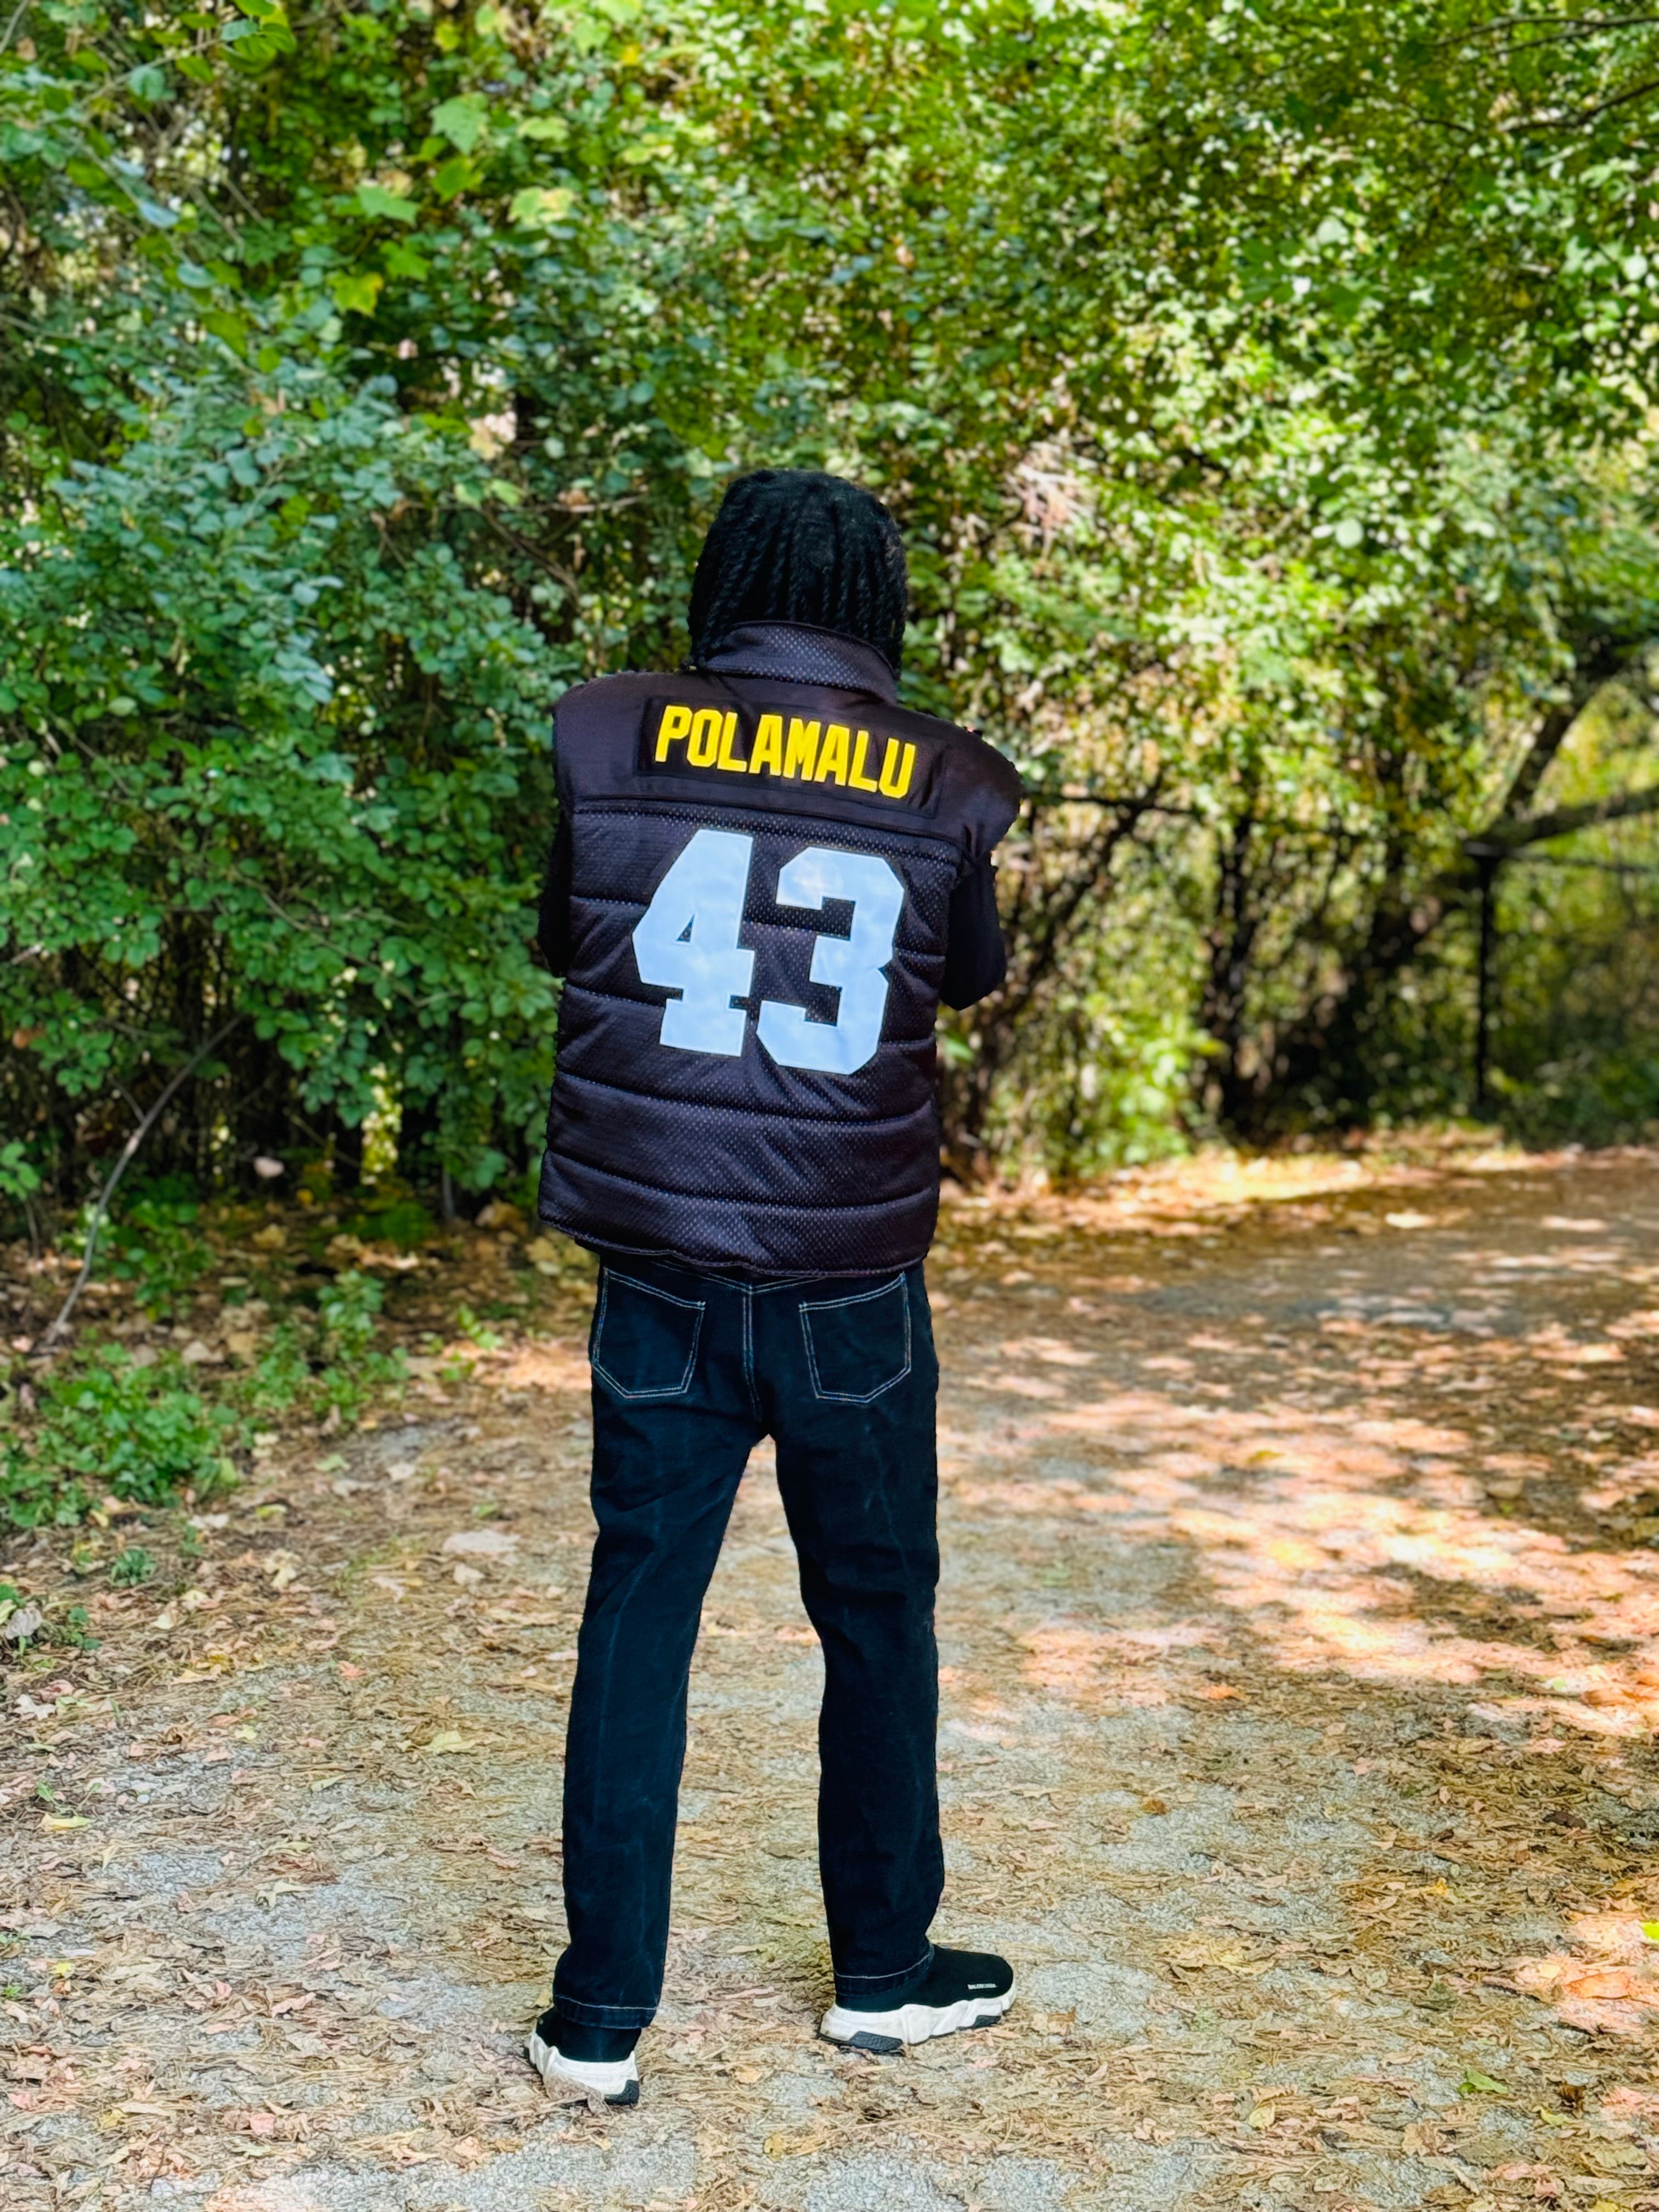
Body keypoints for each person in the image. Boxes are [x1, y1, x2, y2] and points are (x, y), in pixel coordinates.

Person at [527, 469, 1023, 2105]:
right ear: (876, 603)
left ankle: (598, 2020)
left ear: (725, 581)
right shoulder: (952, 780)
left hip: (656, 1265)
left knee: (637, 1614)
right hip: (848, 1281)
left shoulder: (607, 731)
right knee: (875, 1619)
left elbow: (573, 937)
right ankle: (883, 1974)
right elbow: (962, 974)